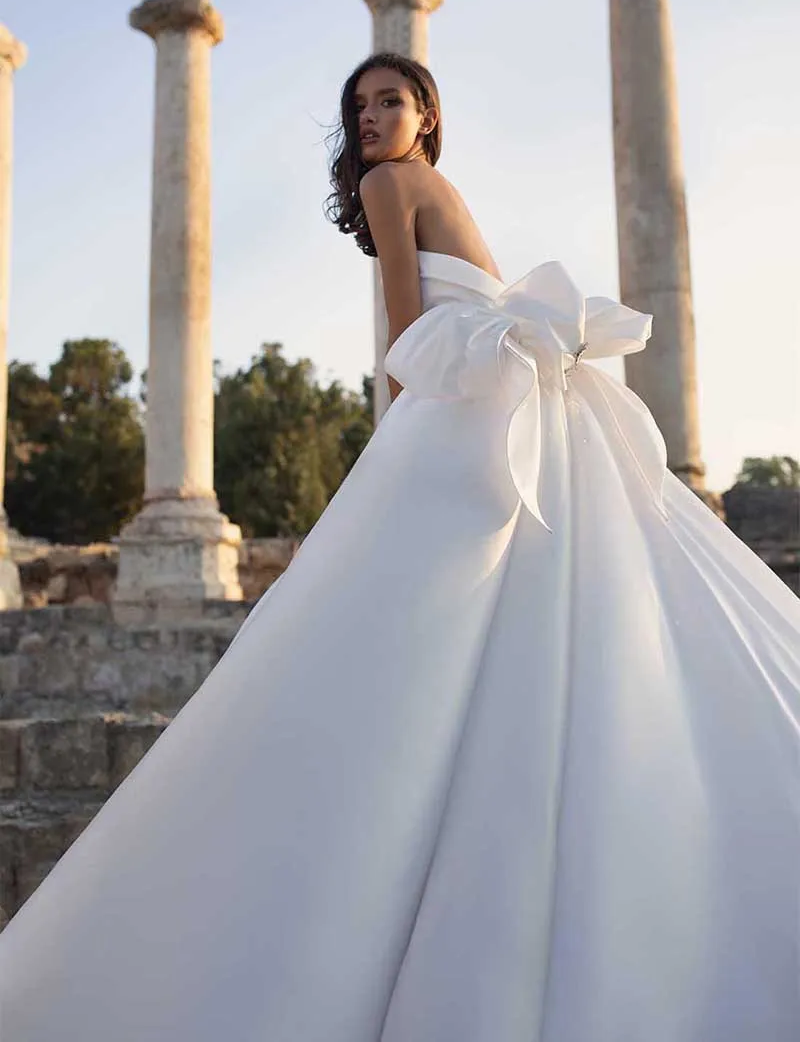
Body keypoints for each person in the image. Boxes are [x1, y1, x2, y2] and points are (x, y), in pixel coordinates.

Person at [1, 52, 799, 1041]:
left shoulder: (389, 187)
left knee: (374, 629)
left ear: (427, 114)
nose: (372, 119)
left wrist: (386, 451)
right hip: (516, 410)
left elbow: (408, 338)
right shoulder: (441, 186)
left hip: (459, 410)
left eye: (391, 101)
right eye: (359, 107)